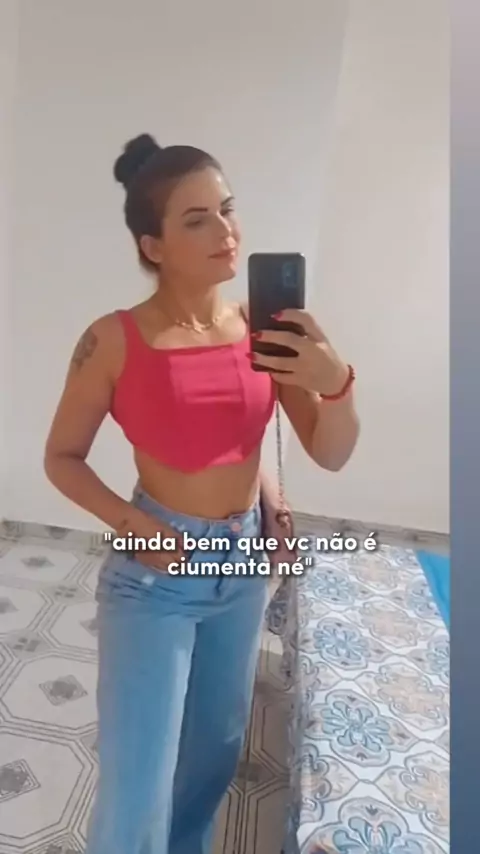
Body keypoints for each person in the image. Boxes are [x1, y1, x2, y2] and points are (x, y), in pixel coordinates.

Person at [44, 133, 359, 854]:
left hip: (242, 568)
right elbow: (61, 459)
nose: (226, 231)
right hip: (156, 576)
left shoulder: (262, 331)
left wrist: (333, 384)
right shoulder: (114, 340)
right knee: (138, 786)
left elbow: (329, 451)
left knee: (210, 763)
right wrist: (133, 525)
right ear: (153, 246)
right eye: (197, 219)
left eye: (227, 209)